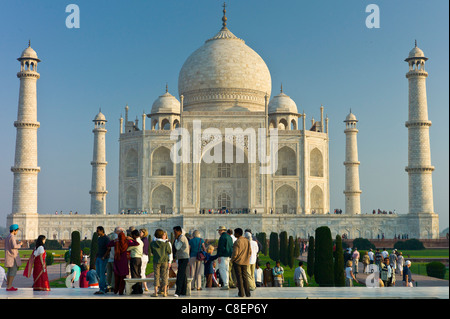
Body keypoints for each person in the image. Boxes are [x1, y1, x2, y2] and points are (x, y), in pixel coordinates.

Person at [150, 229, 172, 297]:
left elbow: (152, 252)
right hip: (164, 261)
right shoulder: (166, 243)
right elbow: (169, 251)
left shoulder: (153, 243)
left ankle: (156, 292)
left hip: (156, 261)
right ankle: (165, 292)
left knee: (156, 276)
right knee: (164, 276)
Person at [231, 228, 251, 297]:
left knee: (239, 278)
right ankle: (248, 293)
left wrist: (232, 260)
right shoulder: (247, 241)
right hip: (245, 262)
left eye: (235, 233)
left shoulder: (237, 242)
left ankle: (241, 293)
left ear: (237, 233)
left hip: (238, 262)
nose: (234, 234)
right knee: (245, 277)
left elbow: (235, 253)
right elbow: (250, 252)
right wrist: (246, 258)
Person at [5, 224, 23, 291]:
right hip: (12, 257)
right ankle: (9, 286)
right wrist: (20, 244)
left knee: (9, 272)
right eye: (17, 231)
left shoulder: (8, 237)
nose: (17, 232)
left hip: (9, 256)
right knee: (12, 272)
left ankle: (8, 285)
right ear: (14, 230)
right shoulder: (12, 237)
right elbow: (14, 246)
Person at [173, 226, 190, 297]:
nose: (174, 234)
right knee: (183, 275)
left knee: (180, 275)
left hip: (184, 258)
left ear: (179, 231)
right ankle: (183, 291)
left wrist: (175, 240)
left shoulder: (181, 238)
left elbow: (177, 247)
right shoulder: (180, 237)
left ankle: (178, 292)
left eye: (175, 232)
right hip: (182, 258)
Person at [94, 226, 110, 295]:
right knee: (98, 273)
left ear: (101, 231)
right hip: (99, 257)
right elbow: (99, 248)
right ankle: (106, 286)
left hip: (103, 258)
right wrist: (96, 256)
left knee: (102, 273)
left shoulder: (106, 239)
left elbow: (109, 248)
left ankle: (102, 289)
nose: (97, 232)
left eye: (98, 231)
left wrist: (104, 256)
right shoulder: (99, 239)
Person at [216, 226, 233, 290]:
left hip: (223, 256)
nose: (218, 232)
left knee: (222, 269)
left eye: (219, 231)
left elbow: (221, 248)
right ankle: (227, 283)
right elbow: (231, 247)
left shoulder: (222, 237)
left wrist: (219, 256)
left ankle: (225, 284)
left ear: (221, 230)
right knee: (227, 270)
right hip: (228, 256)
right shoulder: (229, 237)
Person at [128, 229, 143, 294]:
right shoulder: (141, 241)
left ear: (134, 235)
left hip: (135, 259)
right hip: (139, 258)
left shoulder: (135, 242)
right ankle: (140, 289)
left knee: (134, 274)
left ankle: (136, 290)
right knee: (138, 274)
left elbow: (128, 248)